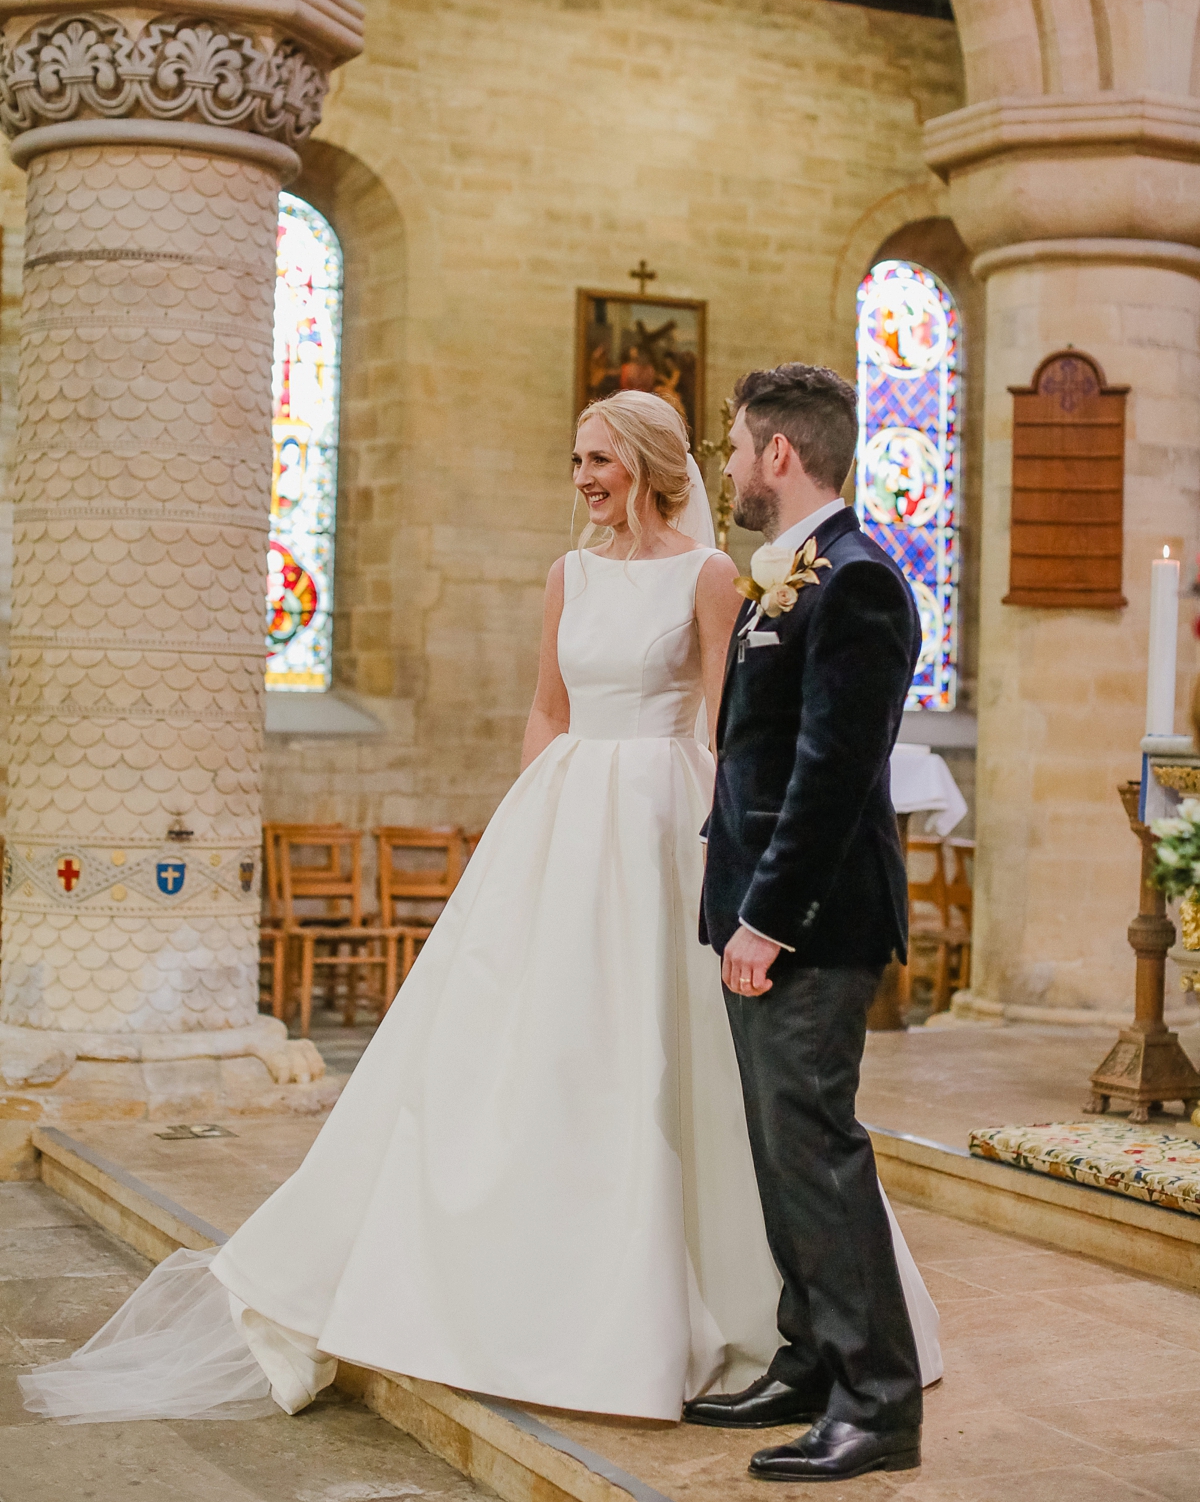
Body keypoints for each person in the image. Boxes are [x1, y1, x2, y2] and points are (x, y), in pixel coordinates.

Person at [21, 388, 940, 1429]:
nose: (585, 477)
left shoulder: (714, 573)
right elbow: (547, 708)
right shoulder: (567, 575)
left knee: (696, 1072)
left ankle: (797, 1330)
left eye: (601, 458)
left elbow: (740, 726)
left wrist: (721, 849)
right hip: (565, 822)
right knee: (524, 1053)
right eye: (576, 458)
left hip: (672, 819)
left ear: (645, 463)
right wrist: (533, 834)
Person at [684, 363, 925, 1483]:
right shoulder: (794, 575)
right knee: (781, 1152)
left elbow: (833, 774)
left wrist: (767, 921)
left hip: (815, 925)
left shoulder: (858, 583)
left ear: (780, 454)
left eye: (734, 447)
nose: (726, 467)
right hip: (764, 908)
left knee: (818, 1152)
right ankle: (810, 1358)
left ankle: (877, 1402)